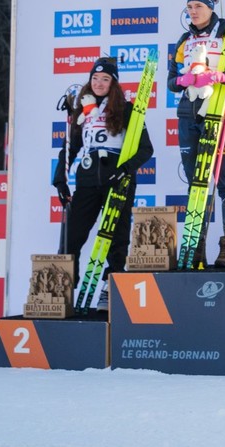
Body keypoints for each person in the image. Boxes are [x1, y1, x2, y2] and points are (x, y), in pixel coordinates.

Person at [52, 57, 154, 311]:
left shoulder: (126, 109)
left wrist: (124, 170)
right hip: (87, 180)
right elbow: (69, 148)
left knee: (116, 239)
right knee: (71, 238)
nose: (98, 83)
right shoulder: (82, 111)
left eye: (105, 79)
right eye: (95, 78)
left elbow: (145, 149)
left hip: (117, 180)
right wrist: (60, 180)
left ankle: (110, 291)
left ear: (113, 83)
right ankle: (63, 290)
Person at [167, 0, 225, 268]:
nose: (193, 12)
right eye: (189, 7)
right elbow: (171, 81)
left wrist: (221, 77)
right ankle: (196, 247)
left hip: (220, 113)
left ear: (210, 8)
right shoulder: (185, 40)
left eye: (199, 6)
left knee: (224, 181)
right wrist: (184, 81)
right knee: (196, 184)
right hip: (188, 115)